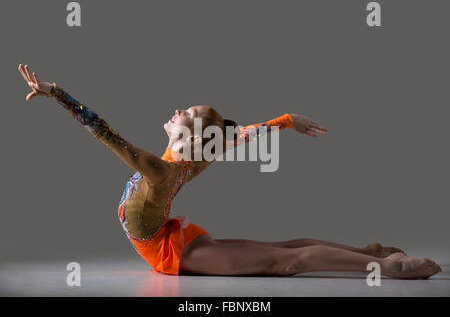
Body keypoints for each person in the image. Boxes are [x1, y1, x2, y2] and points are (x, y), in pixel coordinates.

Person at [18, 64, 441, 279]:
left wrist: (59, 94)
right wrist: (285, 119)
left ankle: (386, 268)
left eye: (188, 113)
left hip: (175, 251)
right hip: (169, 235)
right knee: (280, 247)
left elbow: (104, 132)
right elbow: (239, 136)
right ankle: (368, 251)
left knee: (285, 262)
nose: (179, 109)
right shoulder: (189, 159)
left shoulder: (159, 170)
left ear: (192, 135)